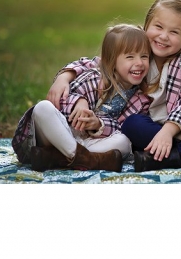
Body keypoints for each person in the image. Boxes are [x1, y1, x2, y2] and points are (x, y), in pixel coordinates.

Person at [47, 0, 181, 172]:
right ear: (148, 24)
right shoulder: (141, 50)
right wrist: (65, 76)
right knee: (131, 124)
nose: (163, 36)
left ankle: (168, 158)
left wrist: (168, 132)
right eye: (158, 27)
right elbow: (101, 63)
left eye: (174, 32)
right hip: (148, 133)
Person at [12, 24, 151, 172]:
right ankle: (84, 159)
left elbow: (122, 129)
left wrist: (98, 124)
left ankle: (59, 158)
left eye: (144, 56)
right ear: (112, 61)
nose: (139, 63)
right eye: (130, 57)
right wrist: (78, 102)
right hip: (60, 135)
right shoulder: (93, 77)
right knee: (42, 108)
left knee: (124, 142)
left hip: (89, 143)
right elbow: (61, 103)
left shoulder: (141, 100)